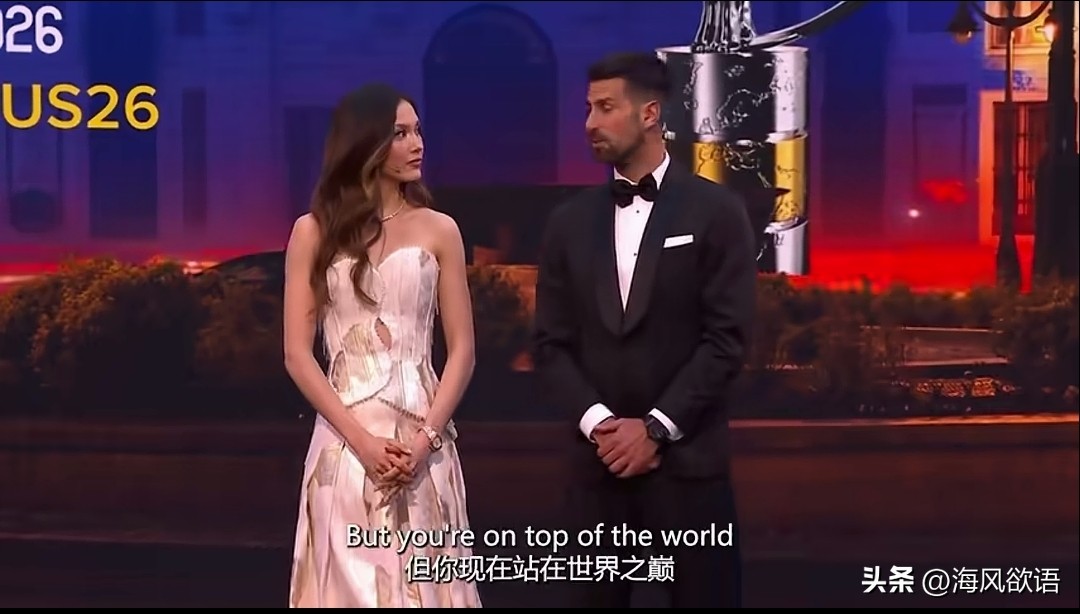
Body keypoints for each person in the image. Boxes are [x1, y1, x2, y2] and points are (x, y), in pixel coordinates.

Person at [533, 52, 756, 608]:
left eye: (606, 107)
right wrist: (603, 427)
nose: (590, 123)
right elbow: (551, 344)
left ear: (650, 113)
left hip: (689, 468)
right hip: (596, 470)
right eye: (588, 109)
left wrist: (655, 429)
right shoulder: (566, 223)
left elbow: (726, 340)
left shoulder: (717, 211)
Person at [283, 83, 482, 608]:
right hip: (345, 446)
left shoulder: (441, 230)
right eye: (400, 134)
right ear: (366, 143)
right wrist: (363, 444)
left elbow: (462, 351)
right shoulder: (312, 232)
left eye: (418, 131)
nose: (417, 144)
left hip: (424, 445)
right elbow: (297, 355)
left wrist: (425, 441)